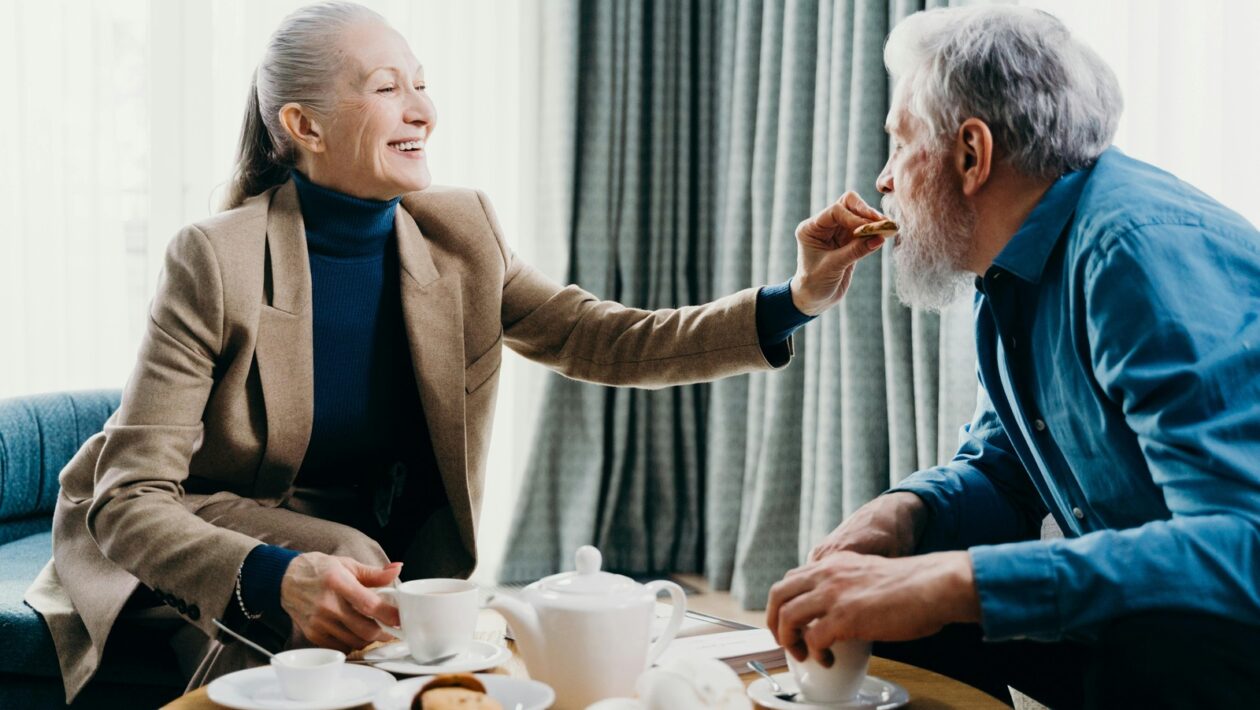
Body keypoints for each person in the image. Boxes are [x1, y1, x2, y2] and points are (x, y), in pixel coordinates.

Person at [24, 1, 890, 703]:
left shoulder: (460, 230)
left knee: (398, 600)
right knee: (352, 562)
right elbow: (130, 495)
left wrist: (798, 296)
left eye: (424, 85)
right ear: (303, 124)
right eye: (387, 87)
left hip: (379, 558)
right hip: (204, 520)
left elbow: (604, 337)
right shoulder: (213, 257)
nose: (423, 108)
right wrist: (275, 573)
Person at [765, 6, 1260, 709]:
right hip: (1156, 625)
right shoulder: (1014, 270)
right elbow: (1006, 468)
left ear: (971, 153)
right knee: (881, 598)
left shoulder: (1132, 254)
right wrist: (906, 514)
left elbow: (1242, 544)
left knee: (1148, 648)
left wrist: (948, 583)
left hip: (1225, 639)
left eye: (898, 145)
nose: (881, 180)